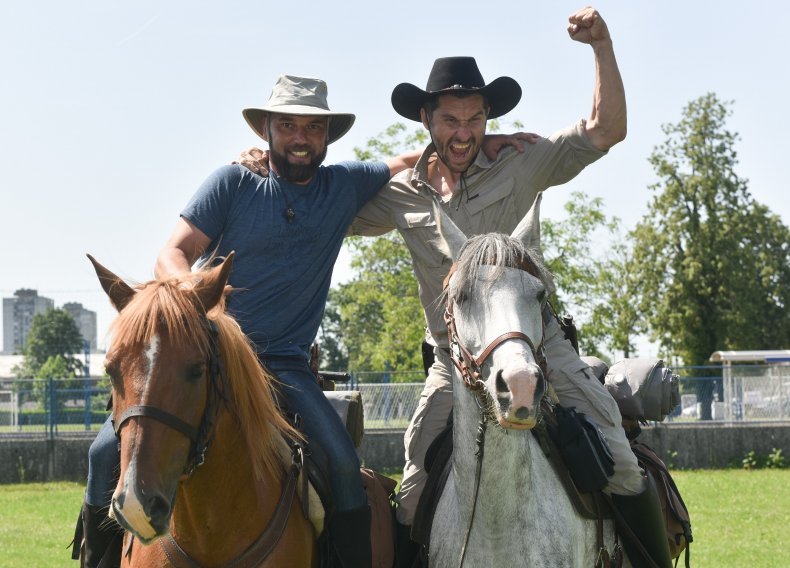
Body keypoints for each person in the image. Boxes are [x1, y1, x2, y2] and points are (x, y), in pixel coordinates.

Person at [75, 74, 528, 568]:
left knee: (340, 465)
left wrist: (481, 144)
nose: (299, 137)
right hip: (210, 357)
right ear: (266, 129)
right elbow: (173, 252)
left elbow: (408, 163)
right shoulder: (231, 183)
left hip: (285, 368)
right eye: (288, 125)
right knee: (104, 455)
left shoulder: (342, 186)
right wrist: (188, 300)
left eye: (312, 128)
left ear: (326, 137)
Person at [346, 8, 672, 568]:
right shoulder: (400, 193)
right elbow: (322, 204)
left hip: (542, 348)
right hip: (452, 362)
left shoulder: (521, 163)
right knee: (412, 489)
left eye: (474, 119)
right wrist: (268, 168)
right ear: (426, 119)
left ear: (488, 119)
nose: (464, 132)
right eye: (450, 119)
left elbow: (606, 129)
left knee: (620, 460)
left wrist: (602, 47)